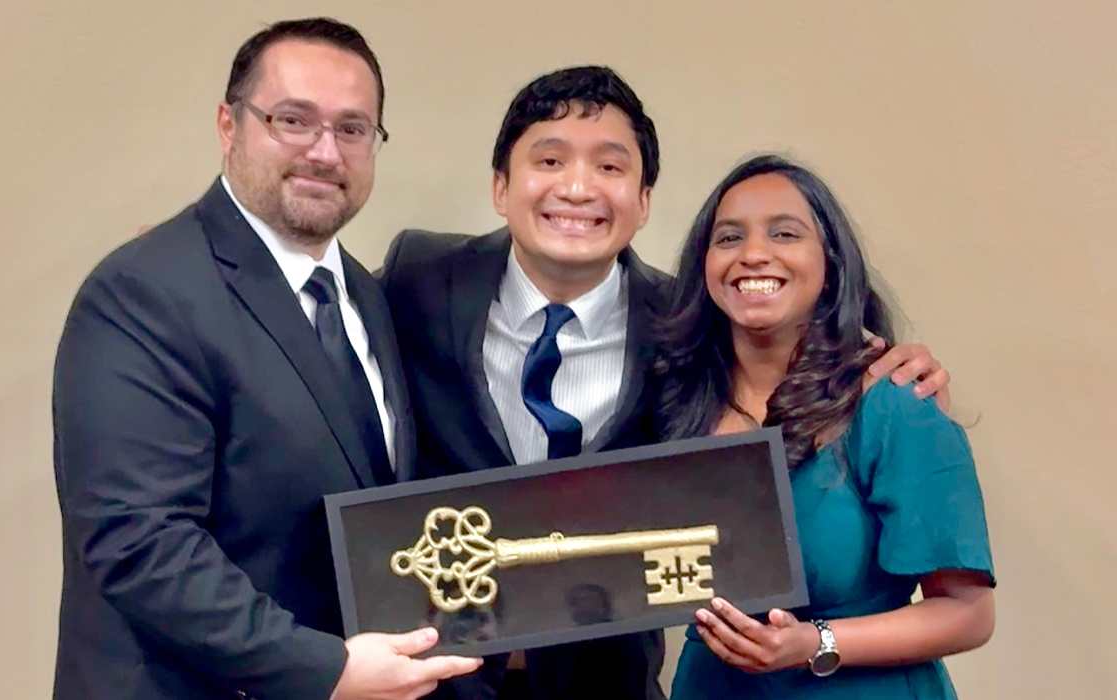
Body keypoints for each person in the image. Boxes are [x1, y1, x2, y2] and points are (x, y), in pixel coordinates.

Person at [379, 66, 950, 700]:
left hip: (607, 683)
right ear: (500, 186)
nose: (576, 187)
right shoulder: (418, 278)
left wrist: (891, 377)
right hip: (432, 678)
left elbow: (786, 376)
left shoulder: (688, 327)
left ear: (643, 200)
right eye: (549, 159)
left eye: (609, 167)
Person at [51, 18, 480, 700]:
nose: (324, 151)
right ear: (229, 125)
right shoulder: (145, 290)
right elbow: (140, 543)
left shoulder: (363, 294)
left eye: (352, 128)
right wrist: (329, 670)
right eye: (293, 120)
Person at [655, 154, 995, 699]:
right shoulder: (672, 402)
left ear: (830, 261)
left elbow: (969, 614)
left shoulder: (894, 404)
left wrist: (814, 642)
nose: (754, 254)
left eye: (785, 233)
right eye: (729, 238)